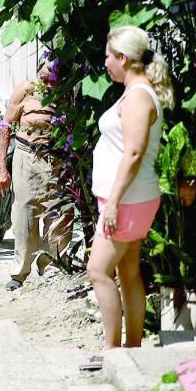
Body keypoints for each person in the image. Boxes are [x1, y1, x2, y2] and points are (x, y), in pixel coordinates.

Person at [81, 26, 172, 372]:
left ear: (122, 58)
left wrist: (114, 203)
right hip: (133, 198)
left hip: (128, 200)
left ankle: (112, 350)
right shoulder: (136, 92)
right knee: (128, 271)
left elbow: (133, 152)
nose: (104, 63)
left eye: (108, 56)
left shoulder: (136, 97)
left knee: (98, 269)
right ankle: (132, 349)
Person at [0, 59, 66, 291]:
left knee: (58, 212)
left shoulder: (65, 92)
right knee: (24, 212)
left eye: (54, 76)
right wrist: (1, 166)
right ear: (39, 71)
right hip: (26, 157)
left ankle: (54, 267)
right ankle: (20, 272)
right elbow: (6, 126)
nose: (49, 81)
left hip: (56, 158)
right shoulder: (26, 89)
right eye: (46, 75)